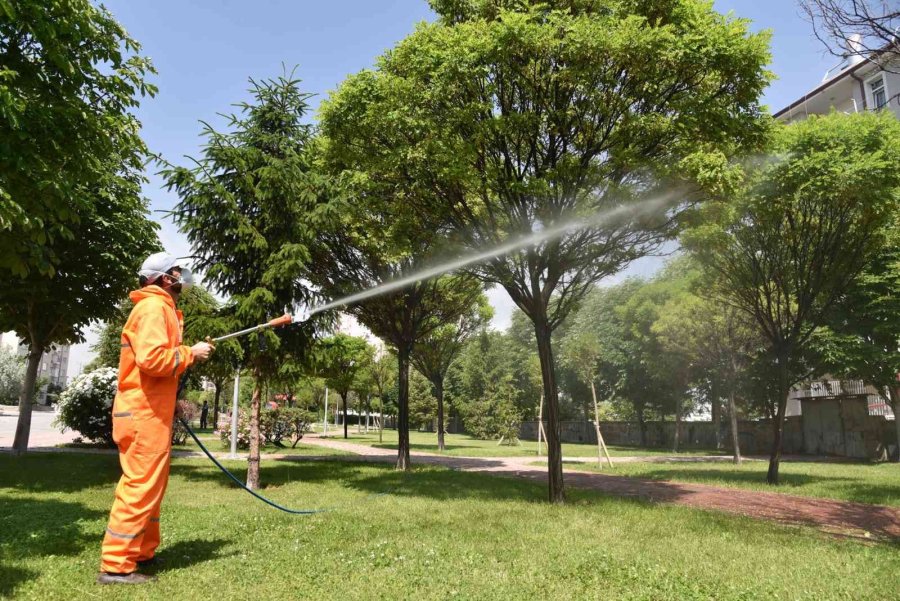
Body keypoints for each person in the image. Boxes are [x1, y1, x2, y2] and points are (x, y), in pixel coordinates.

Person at [97, 252, 214, 585]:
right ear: (165, 278)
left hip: (150, 411)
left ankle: (141, 553)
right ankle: (116, 565)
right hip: (141, 414)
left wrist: (171, 399)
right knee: (140, 487)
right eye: (178, 272)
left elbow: (154, 367)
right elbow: (152, 360)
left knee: (152, 488)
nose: (183, 277)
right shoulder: (152, 308)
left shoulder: (161, 308)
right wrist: (191, 353)